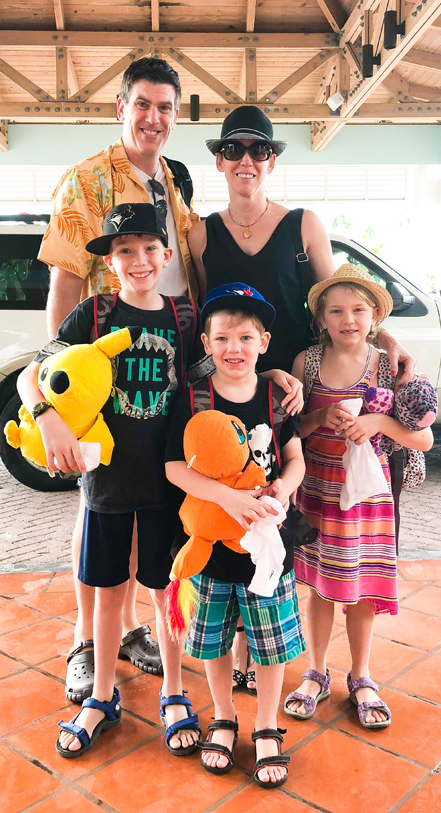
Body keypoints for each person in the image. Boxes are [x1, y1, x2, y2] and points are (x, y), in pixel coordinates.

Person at [187, 105, 416, 689]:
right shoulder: (198, 234)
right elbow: (202, 330)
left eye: (258, 150)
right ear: (219, 159)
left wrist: (384, 335)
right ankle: (241, 659)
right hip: (238, 388)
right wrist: (246, 376)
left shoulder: (304, 225)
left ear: (270, 161)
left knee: (292, 515)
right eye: (234, 149)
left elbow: (337, 303)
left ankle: (289, 652)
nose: (246, 160)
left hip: (302, 393)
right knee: (236, 512)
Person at [38, 56, 200, 698]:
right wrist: (64, 391)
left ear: (175, 116)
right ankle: (87, 637)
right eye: (143, 105)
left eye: (165, 107)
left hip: (166, 367)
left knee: (146, 508)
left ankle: (130, 629)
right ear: (120, 108)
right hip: (105, 376)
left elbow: (187, 269)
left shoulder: (173, 186)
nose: (153, 118)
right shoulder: (85, 182)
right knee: (100, 507)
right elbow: (66, 284)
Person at [19, 202, 204, 758]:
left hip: (168, 486)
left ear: (167, 255)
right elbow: (35, 375)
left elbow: (212, 385)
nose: (139, 260)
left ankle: (174, 689)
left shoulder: (185, 317)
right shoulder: (93, 317)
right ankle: (101, 696)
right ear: (109, 261)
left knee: (164, 590)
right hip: (106, 486)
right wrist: (47, 417)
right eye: (125, 250)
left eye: (149, 249)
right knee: (106, 593)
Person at [165, 283, 305, 788]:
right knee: (214, 641)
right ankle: (223, 715)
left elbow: (294, 458)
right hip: (212, 555)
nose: (234, 348)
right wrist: (226, 498)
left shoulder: (274, 397)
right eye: (222, 337)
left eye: (245, 338)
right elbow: (175, 467)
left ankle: (267, 722)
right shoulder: (193, 398)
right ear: (206, 342)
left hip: (265, 554)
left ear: (263, 342)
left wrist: (284, 490)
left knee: (270, 645)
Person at [283, 264, 433, 729]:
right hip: (318, 489)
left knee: (362, 587)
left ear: (374, 316)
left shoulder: (390, 365)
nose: (348, 319)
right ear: (321, 318)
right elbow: (293, 430)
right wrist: (318, 416)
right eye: (336, 311)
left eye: (358, 310)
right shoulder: (306, 363)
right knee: (323, 586)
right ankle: (317, 670)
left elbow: (423, 439)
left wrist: (378, 424)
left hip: (368, 498)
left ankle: (362, 675)